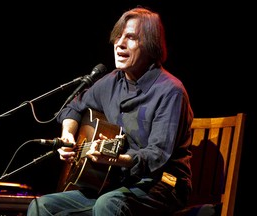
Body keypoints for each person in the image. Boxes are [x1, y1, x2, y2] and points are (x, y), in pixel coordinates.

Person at [27, 6, 194, 216]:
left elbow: (157, 154)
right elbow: (73, 108)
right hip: (115, 184)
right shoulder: (111, 82)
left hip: (164, 183)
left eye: (131, 38)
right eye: (118, 37)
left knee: (109, 204)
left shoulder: (170, 91)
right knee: (41, 207)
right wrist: (68, 136)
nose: (119, 44)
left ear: (151, 46)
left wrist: (114, 158)